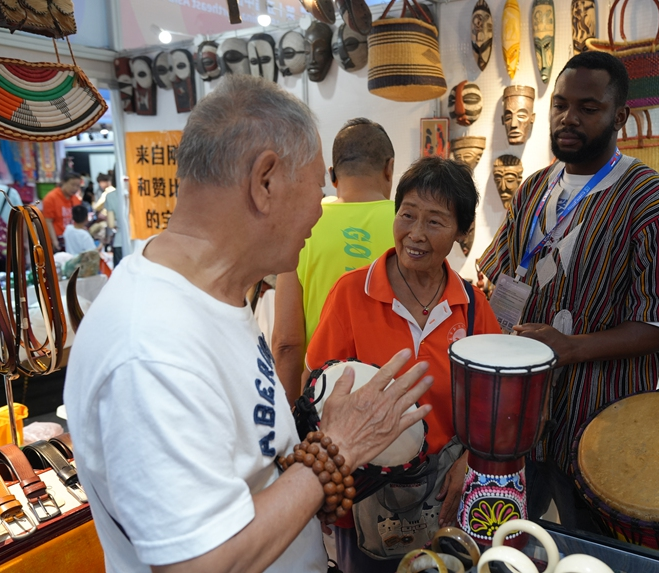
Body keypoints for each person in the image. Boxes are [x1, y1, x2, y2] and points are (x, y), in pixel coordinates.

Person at [64, 74, 433, 573]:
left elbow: (249, 464)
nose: (318, 212)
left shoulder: (213, 297)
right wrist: (338, 450)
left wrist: (311, 470)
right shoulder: (150, 346)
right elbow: (201, 564)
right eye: (316, 188)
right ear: (266, 182)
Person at [478, 51, 659, 531]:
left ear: (619, 117)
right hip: (522, 411)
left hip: (599, 416)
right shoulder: (533, 190)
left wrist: (572, 348)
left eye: (588, 108)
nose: (569, 118)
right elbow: (500, 277)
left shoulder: (657, 205)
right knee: (507, 534)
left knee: (590, 546)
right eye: (560, 104)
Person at [305, 156, 502, 572]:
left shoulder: (471, 307)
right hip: (363, 497)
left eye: (435, 222)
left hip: (443, 497)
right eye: (407, 214)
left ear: (462, 232)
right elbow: (318, 392)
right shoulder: (352, 293)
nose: (415, 233)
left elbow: (494, 404)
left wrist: (471, 460)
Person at [272, 117, 396, 403]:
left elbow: (287, 343)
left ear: (332, 175)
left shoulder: (304, 226)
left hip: (321, 399)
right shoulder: (410, 226)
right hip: (393, 399)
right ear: (389, 168)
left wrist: (292, 416)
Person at [43, 171, 83, 252]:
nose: (75, 188)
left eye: (78, 186)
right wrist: (54, 240)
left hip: (73, 239)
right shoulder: (51, 198)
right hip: (58, 240)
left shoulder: (76, 199)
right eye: (72, 185)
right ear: (63, 183)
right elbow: (48, 221)